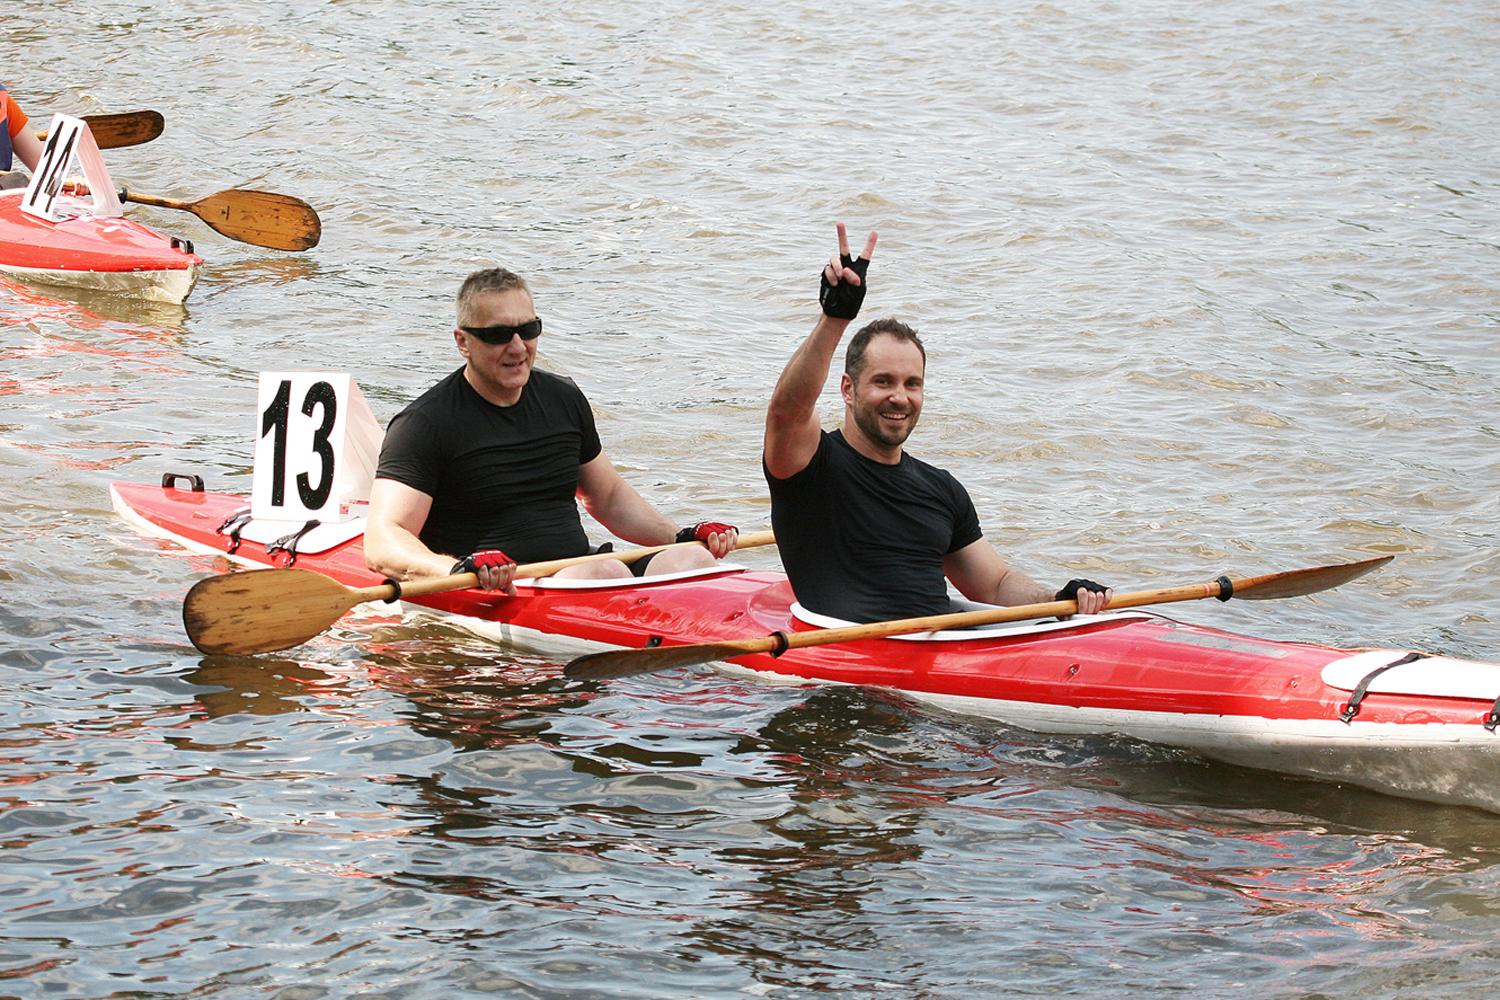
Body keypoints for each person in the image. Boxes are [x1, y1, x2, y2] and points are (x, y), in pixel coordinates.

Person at [762, 223, 1112, 624]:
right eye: (883, 382)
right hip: (842, 662)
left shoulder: (941, 489)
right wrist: (834, 320)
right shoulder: (808, 467)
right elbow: (787, 411)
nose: (900, 397)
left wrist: (1059, 598)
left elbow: (994, 585)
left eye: (913, 384)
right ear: (848, 389)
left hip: (936, 652)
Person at [366, 267, 739, 594]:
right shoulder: (424, 424)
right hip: (495, 586)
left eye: (528, 329)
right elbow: (383, 540)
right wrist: (453, 570)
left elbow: (606, 497)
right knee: (607, 571)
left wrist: (681, 535)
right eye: (498, 335)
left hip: (581, 571)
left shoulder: (563, 397)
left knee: (690, 559)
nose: (517, 347)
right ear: (462, 341)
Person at [1, 82, 45, 188]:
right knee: (15, 180)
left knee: (15, 181)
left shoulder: (3, 101)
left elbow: (48, 171)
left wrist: (72, 183)